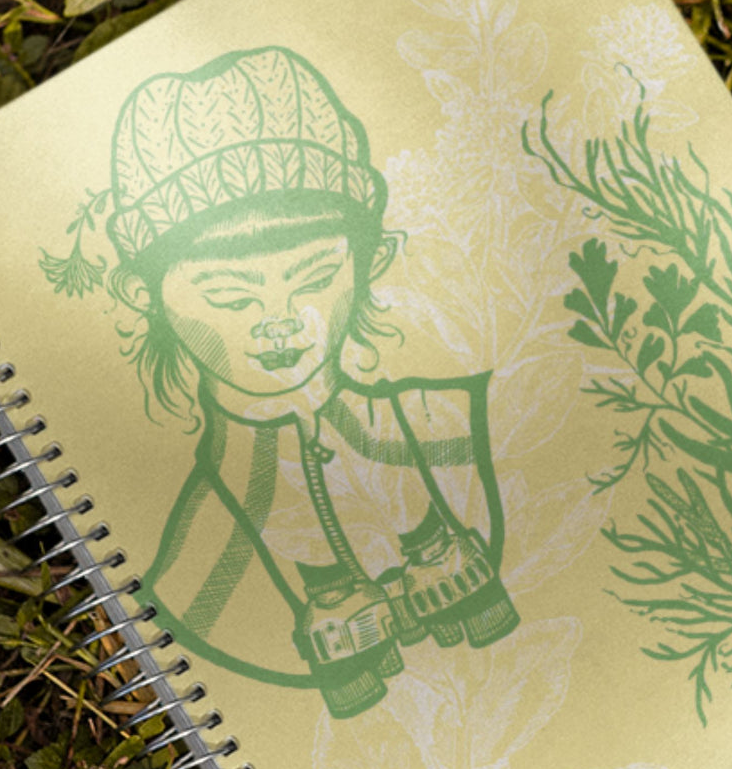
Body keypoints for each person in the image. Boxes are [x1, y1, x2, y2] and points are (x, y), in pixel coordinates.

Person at [104, 45, 518, 719]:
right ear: (147, 297)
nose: (278, 323)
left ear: (368, 263)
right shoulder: (191, 562)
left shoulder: (460, 422)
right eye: (231, 296)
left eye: (313, 279)